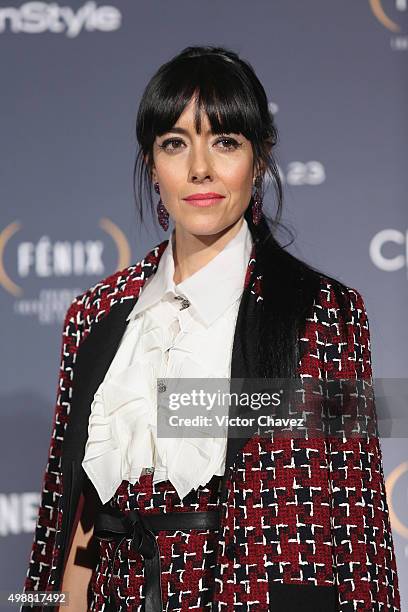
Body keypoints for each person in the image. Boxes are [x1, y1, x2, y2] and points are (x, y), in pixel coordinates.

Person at [22, 45, 400, 612]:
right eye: (175, 143)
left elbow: (357, 518)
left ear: (260, 158)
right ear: (153, 163)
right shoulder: (95, 315)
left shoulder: (323, 313)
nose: (200, 168)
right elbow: (73, 524)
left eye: (224, 141)